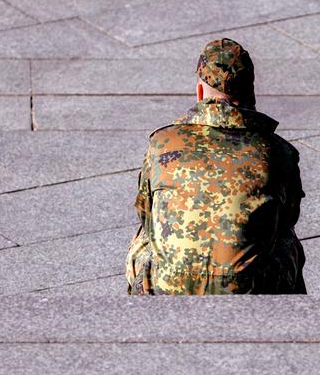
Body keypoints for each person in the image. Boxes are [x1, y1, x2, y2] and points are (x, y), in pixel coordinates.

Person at [126, 38, 306, 294]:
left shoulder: (162, 143)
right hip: (247, 289)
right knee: (285, 240)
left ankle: (139, 320)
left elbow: (145, 212)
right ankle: (291, 324)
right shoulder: (278, 151)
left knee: (146, 236)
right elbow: (289, 215)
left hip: (170, 284)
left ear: (200, 92)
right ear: (250, 92)